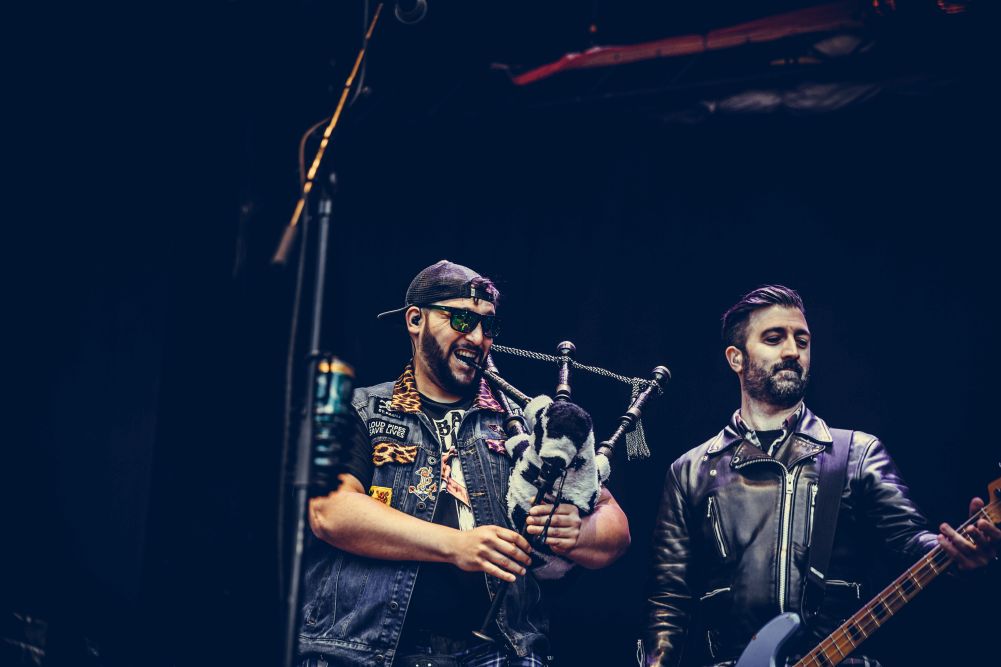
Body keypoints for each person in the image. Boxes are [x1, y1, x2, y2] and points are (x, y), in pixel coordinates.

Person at [643, 285, 999, 667]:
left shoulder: (856, 454)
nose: (792, 351)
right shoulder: (690, 471)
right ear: (736, 358)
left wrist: (957, 551)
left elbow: (910, 542)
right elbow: (668, 601)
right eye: (774, 338)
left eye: (802, 340)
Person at [299, 260, 631, 667]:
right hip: (362, 652)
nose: (476, 337)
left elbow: (615, 527)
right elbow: (330, 510)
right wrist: (457, 545)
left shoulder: (524, 424)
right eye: (460, 319)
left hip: (500, 654)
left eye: (487, 325)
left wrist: (578, 530)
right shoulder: (359, 408)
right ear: (415, 320)